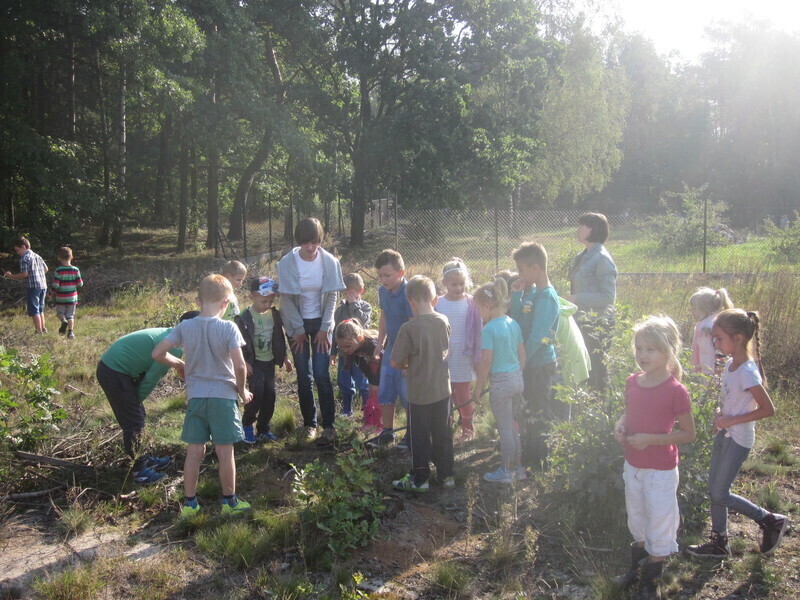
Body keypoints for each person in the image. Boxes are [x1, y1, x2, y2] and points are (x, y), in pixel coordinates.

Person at [687, 309, 788, 559]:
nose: (715, 343)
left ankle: (769, 520)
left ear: (739, 338)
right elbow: (731, 400)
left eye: (719, 338)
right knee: (714, 489)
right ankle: (719, 542)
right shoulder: (732, 364)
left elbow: (767, 409)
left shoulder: (747, 372)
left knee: (720, 492)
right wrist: (720, 416)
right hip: (725, 434)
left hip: (739, 440)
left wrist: (731, 420)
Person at [152, 274, 253, 517]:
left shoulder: (185, 326)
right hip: (223, 397)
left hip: (195, 397)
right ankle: (229, 502)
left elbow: (157, 353)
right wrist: (242, 390)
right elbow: (240, 367)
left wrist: (180, 365)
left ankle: (189, 504)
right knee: (224, 451)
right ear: (226, 302)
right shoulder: (229, 327)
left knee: (195, 451)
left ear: (198, 300)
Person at [612, 316, 695, 599]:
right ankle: (634, 571)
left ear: (668, 351)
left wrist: (651, 440)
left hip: (660, 469)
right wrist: (620, 425)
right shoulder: (633, 381)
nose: (642, 355)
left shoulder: (676, 391)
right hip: (632, 464)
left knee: (659, 520)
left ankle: (651, 583)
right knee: (637, 517)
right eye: (639, 348)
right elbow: (630, 411)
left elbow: (687, 434)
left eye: (651, 349)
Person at [96, 311, 199, 484]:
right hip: (114, 371)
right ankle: (139, 472)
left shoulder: (170, 337)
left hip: (116, 370)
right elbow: (150, 379)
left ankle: (143, 458)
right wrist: (135, 402)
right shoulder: (172, 347)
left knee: (138, 417)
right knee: (134, 422)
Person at [276, 217, 345, 444]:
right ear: (299, 241)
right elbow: (285, 299)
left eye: (315, 242)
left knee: (321, 374)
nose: (310, 247)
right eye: (306, 242)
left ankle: (329, 425)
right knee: (304, 376)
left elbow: (333, 295)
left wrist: (325, 328)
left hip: (321, 324)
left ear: (320, 240)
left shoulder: (329, 262)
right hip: (296, 324)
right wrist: (296, 330)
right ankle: (309, 424)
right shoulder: (287, 263)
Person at [390, 275, 455, 492]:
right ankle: (447, 476)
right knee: (443, 433)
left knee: (419, 438)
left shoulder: (408, 329)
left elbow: (394, 361)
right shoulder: (443, 321)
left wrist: (406, 365)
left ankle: (420, 479)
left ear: (411, 301)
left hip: (419, 395)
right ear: (434, 298)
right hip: (443, 391)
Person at [509, 242, 560, 469]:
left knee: (540, 411)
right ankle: (531, 452)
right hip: (528, 363)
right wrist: (517, 296)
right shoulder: (532, 292)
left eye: (521, 269)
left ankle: (542, 459)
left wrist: (521, 363)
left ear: (536, 268)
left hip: (539, 365)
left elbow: (538, 338)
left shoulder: (547, 297)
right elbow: (519, 321)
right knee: (529, 409)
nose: (519, 273)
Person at [472, 278, 526, 484]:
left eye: (478, 308)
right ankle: (518, 467)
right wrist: (517, 373)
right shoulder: (513, 323)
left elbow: (486, 362)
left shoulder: (489, 329)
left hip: (501, 385)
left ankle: (507, 470)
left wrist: (478, 389)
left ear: (487, 305)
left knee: (504, 429)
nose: (478, 313)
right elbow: (522, 353)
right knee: (512, 427)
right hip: (517, 380)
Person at [234, 276, 292, 444]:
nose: (267, 305)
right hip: (254, 363)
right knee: (257, 393)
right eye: (263, 301)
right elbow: (237, 343)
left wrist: (285, 358)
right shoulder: (243, 318)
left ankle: (264, 428)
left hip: (269, 361)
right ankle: (247, 425)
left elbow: (279, 338)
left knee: (270, 395)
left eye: (271, 301)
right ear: (252, 297)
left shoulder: (274, 315)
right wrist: (245, 362)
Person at [567, 213, 617, 390]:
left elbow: (608, 297)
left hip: (598, 324)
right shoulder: (582, 256)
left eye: (583, 225)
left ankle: (601, 409)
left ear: (594, 229)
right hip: (581, 320)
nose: (578, 229)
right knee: (584, 366)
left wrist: (576, 299)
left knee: (597, 370)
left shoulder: (602, 259)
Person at [435, 258, 481, 443]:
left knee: (462, 394)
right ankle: (448, 425)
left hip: (464, 355)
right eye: (454, 284)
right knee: (446, 393)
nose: (459, 288)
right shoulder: (438, 303)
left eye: (462, 284)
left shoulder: (471, 302)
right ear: (445, 283)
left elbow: (478, 328)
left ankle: (468, 428)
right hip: (444, 355)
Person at [374, 249, 414, 447]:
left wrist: (410, 357)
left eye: (387, 275)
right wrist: (380, 343)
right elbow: (384, 318)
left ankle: (412, 433)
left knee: (407, 394)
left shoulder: (409, 293)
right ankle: (388, 432)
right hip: (390, 349)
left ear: (401, 273)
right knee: (386, 390)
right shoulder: (383, 291)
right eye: (380, 275)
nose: (383, 279)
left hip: (407, 351)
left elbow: (413, 323)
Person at [331, 272, 372, 417]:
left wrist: (354, 305)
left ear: (360, 291)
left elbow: (363, 322)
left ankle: (368, 410)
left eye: (351, 292)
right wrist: (333, 352)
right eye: (345, 292)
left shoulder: (365, 307)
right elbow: (336, 332)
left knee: (363, 383)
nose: (348, 295)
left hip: (360, 353)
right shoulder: (340, 310)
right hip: (344, 354)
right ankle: (347, 410)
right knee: (344, 382)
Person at [334, 319, 383, 432]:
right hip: (374, 371)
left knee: (380, 399)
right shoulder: (354, 349)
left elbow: (383, 361)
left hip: (386, 370)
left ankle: (380, 426)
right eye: (341, 347)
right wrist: (371, 381)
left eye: (347, 346)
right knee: (372, 398)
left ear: (359, 338)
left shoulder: (371, 344)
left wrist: (375, 382)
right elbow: (364, 367)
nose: (345, 350)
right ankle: (369, 424)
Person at [5, 236, 49, 334]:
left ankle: (39, 331)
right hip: (43, 285)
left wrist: (11, 276)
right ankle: (43, 328)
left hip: (33, 287)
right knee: (40, 308)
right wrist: (38, 273)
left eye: (17, 250)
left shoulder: (24, 258)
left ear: (23, 247)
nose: (17, 253)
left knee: (34, 310)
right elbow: (46, 269)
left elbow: (25, 274)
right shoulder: (37, 256)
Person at [690, 287, 734, 375]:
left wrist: (700, 373)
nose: (691, 311)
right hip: (718, 371)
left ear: (704, 309)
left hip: (708, 373)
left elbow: (707, 354)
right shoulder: (716, 322)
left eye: (694, 308)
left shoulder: (706, 328)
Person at [51, 246, 83, 339]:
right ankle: (71, 333)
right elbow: (80, 284)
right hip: (72, 297)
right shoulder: (76, 269)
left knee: (60, 312)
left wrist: (50, 293)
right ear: (71, 257)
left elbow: (56, 285)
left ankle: (63, 320)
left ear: (60, 258)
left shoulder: (58, 270)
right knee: (70, 315)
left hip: (61, 297)